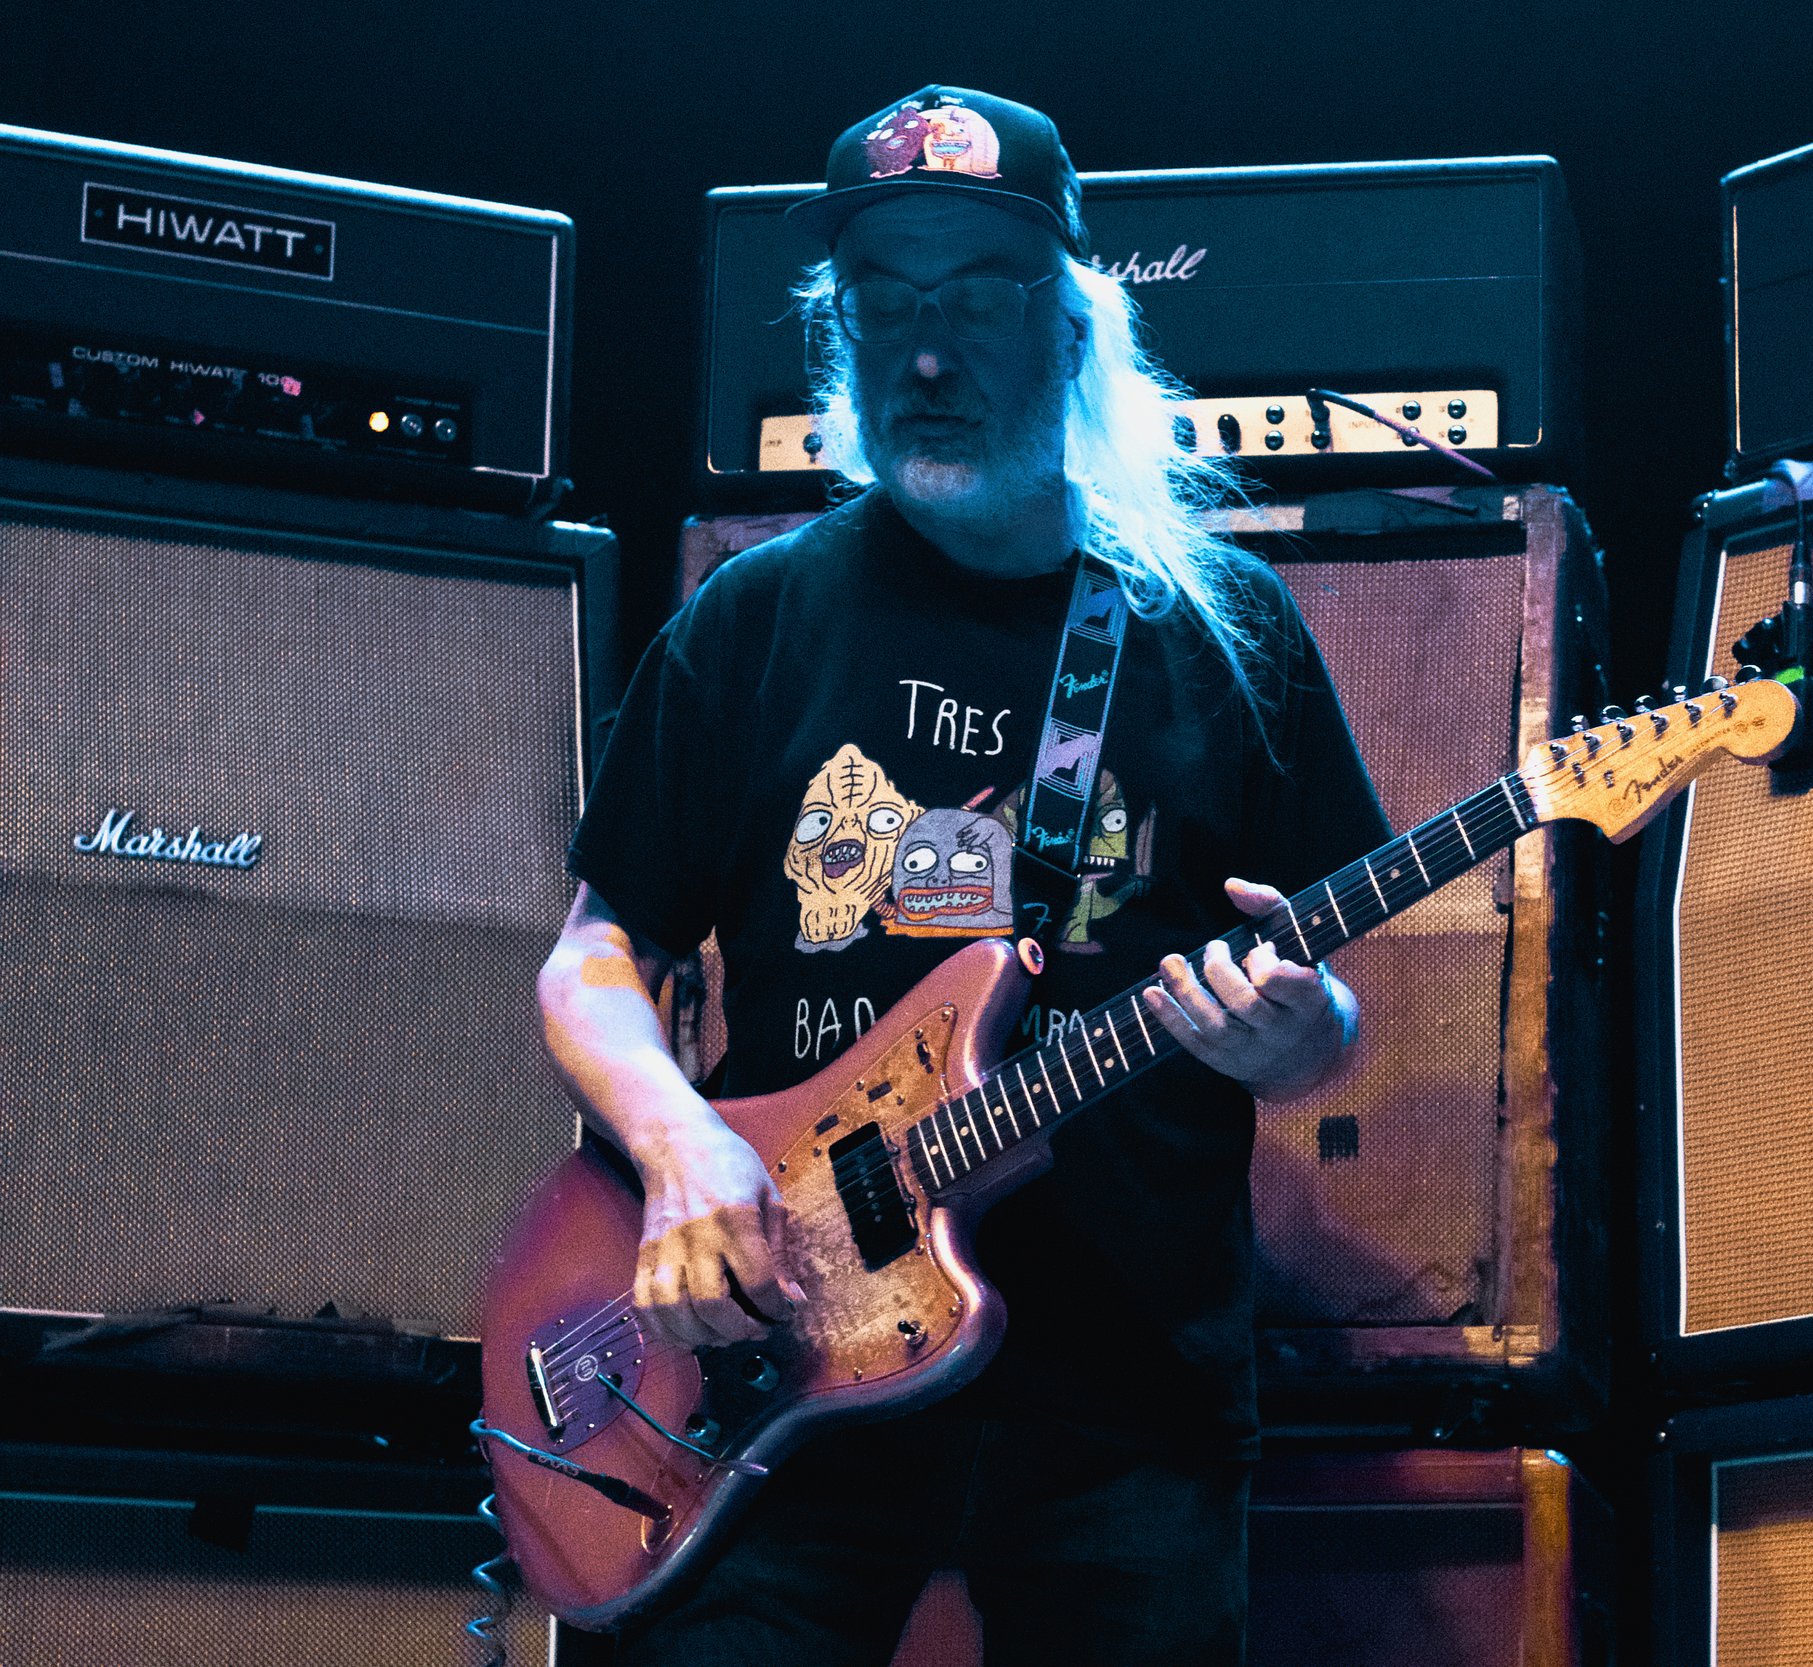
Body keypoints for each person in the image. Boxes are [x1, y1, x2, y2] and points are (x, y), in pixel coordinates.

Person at [538, 86, 1394, 1666]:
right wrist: (679, 1151)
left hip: (1123, 1397)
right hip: (775, 1359)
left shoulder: (1223, 632)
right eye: (886, 302)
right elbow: (591, 956)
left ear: (1071, 333)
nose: (926, 354)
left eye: (979, 299)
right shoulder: (753, 622)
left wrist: (1305, 1031)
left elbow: (1327, 995)